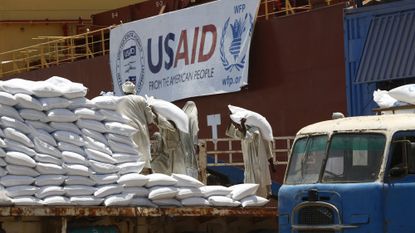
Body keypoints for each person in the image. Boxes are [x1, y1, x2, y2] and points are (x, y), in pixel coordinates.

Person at [226, 117, 276, 198]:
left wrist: (272, 166)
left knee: (260, 188)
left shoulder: (256, 131)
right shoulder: (243, 132)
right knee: (249, 188)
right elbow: (231, 132)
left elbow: (249, 137)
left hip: (258, 166)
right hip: (249, 166)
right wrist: (231, 119)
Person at [116, 81, 155, 174]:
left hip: (125, 133)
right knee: (143, 159)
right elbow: (150, 119)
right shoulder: (141, 99)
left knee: (128, 160)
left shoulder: (119, 101)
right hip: (141, 131)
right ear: (134, 90)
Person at [180, 101, 200, 179]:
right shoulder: (193, 116)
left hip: (182, 144)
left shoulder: (182, 117)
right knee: (192, 163)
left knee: (184, 163)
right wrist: (195, 144)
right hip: (190, 144)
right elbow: (195, 131)